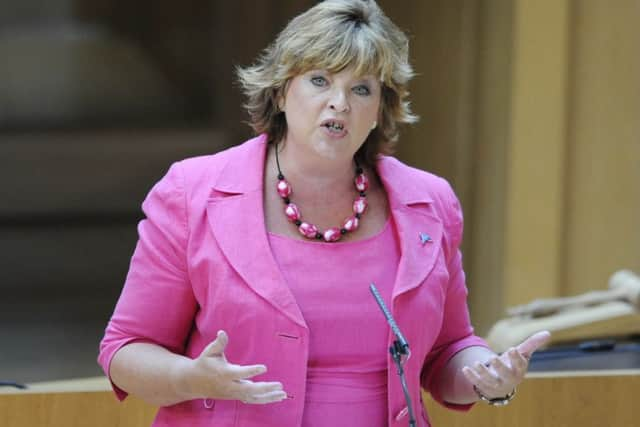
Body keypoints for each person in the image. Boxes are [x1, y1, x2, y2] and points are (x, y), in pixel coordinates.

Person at [98, 1, 550, 426]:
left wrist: (485, 373)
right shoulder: (191, 193)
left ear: (379, 110)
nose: (340, 102)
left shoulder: (429, 202)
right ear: (280, 92)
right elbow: (125, 350)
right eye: (319, 80)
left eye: (361, 89)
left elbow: (448, 349)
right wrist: (190, 378)